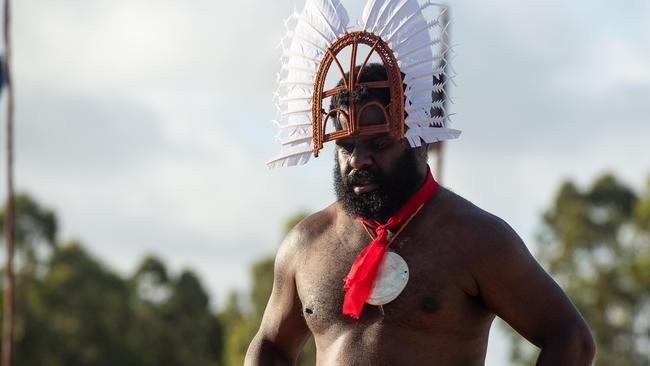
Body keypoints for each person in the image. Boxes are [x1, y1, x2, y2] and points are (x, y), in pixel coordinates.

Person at [253, 1, 595, 364]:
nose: (358, 160)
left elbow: (570, 337)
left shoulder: (476, 239)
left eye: (379, 144)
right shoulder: (306, 243)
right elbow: (270, 346)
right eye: (347, 146)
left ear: (420, 142)